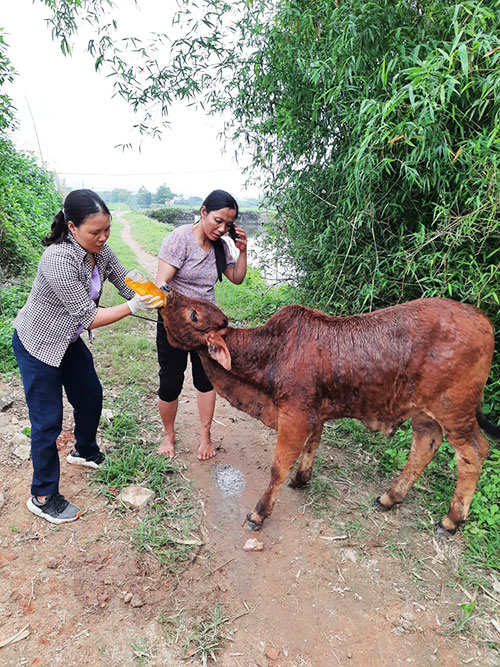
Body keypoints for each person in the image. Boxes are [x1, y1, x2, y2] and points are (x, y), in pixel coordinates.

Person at [12, 189, 162, 524]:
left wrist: (149, 293)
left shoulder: (100, 250)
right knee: (47, 421)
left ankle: (84, 450)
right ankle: (43, 495)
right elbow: (88, 316)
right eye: (95, 232)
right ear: (71, 227)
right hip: (38, 344)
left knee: (91, 395)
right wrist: (132, 307)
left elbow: (125, 283)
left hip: (68, 340)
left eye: (106, 229)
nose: (103, 237)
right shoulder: (57, 259)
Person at [156, 189, 247, 460]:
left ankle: (205, 436)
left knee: (206, 380)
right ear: (203, 211)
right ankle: (168, 434)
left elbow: (237, 277)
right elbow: (162, 283)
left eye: (228, 224)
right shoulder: (179, 240)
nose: (222, 228)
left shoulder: (220, 247)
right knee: (170, 380)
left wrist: (242, 251)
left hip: (207, 328)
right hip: (175, 323)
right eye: (218, 220)